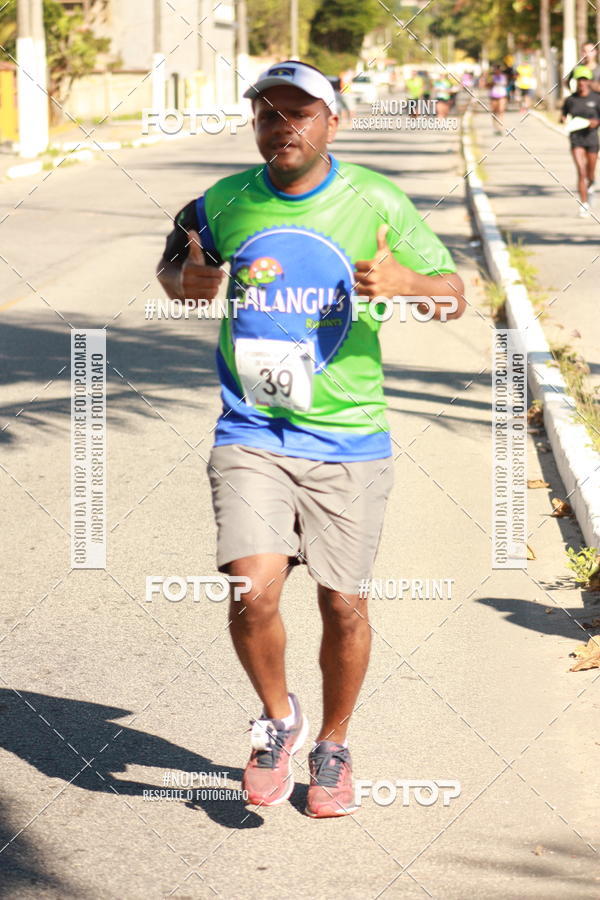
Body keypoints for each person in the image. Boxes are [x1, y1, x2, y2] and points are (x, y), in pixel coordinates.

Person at [156, 60, 465, 818]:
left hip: (348, 440)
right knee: (252, 589)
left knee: (344, 605)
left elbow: (454, 294)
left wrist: (409, 287)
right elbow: (175, 265)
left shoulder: (377, 200)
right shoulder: (222, 202)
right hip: (251, 431)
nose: (283, 127)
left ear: (333, 121)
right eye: (269, 114)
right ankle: (278, 721)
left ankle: (334, 744)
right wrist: (184, 285)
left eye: (300, 113)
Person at [560, 66, 600, 217]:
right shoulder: (571, 100)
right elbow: (563, 116)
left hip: (592, 139)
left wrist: (596, 122)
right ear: (575, 81)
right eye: (579, 80)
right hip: (576, 138)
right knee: (581, 172)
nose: (582, 83)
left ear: (589, 81)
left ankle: (592, 185)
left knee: (590, 173)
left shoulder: (596, 98)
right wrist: (564, 120)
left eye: (584, 80)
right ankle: (583, 204)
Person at [488, 63, 508, 134]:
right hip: (493, 95)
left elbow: (506, 84)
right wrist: (491, 83)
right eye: (495, 69)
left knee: (501, 111)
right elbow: (486, 85)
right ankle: (495, 127)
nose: (496, 71)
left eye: (498, 69)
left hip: (502, 95)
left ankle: (500, 127)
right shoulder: (491, 77)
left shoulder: (503, 76)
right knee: (494, 112)